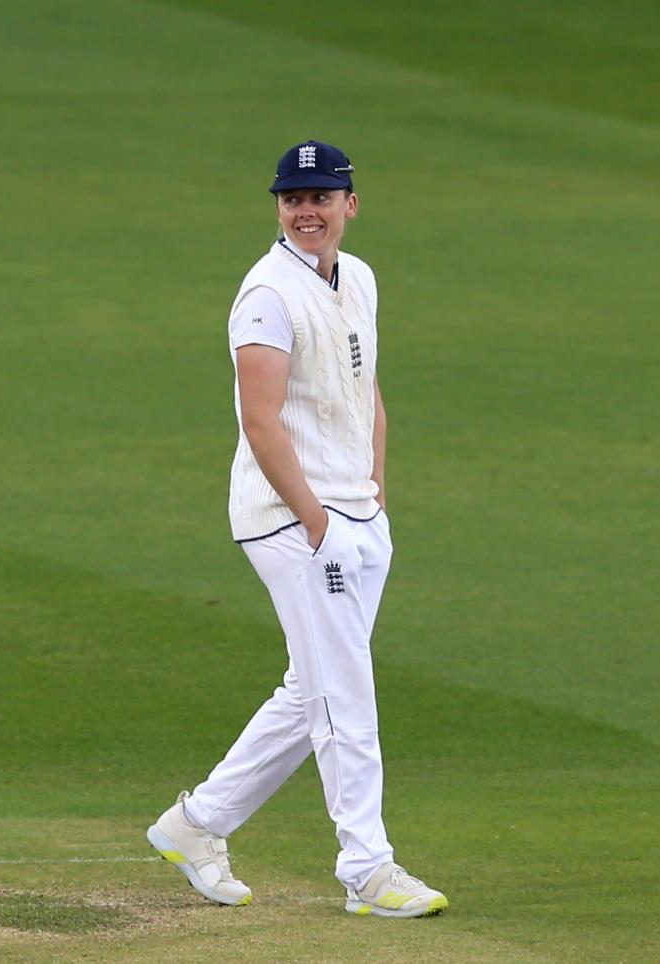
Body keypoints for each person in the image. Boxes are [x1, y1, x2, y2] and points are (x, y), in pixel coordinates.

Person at [147, 140, 448, 918]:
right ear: (278, 208)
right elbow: (260, 419)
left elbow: (365, 385)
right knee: (344, 694)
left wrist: (372, 487)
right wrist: (315, 520)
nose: (305, 211)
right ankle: (366, 870)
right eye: (292, 199)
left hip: (354, 514)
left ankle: (196, 823)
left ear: (350, 203)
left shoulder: (361, 279)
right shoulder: (265, 294)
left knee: (310, 685)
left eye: (320, 197)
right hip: (292, 519)